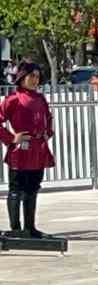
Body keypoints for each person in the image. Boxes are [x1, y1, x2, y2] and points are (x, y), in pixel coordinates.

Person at [1, 62, 54, 239]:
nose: (35, 80)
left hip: (37, 151)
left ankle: (30, 228)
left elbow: (48, 119)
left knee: (32, 189)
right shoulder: (13, 99)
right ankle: (16, 229)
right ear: (22, 78)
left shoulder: (41, 99)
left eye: (37, 77)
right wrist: (11, 138)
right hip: (20, 152)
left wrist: (47, 133)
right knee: (16, 189)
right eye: (31, 76)